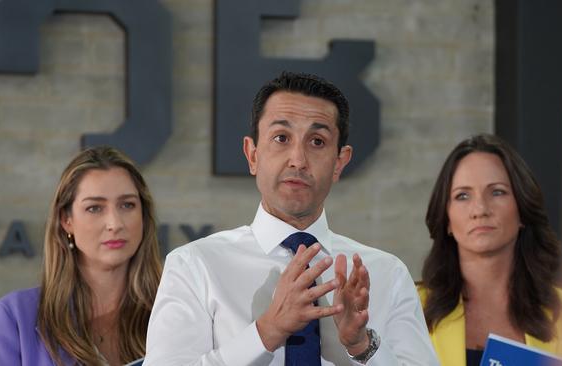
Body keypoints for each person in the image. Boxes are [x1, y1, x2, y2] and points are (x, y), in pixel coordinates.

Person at [144, 71, 437, 365]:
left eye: (317, 141)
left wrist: (361, 345)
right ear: (253, 155)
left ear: (340, 163)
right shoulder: (195, 265)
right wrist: (266, 331)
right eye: (281, 138)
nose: (298, 159)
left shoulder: (387, 274)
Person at [0, 146, 162, 366]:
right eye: (95, 208)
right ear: (67, 220)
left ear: (143, 215)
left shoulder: (178, 309)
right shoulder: (14, 317)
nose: (115, 224)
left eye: (127, 205)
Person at [417, 134, 562, 366]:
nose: (480, 209)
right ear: (446, 219)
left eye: (497, 192)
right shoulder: (411, 307)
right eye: (463, 196)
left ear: (522, 208)